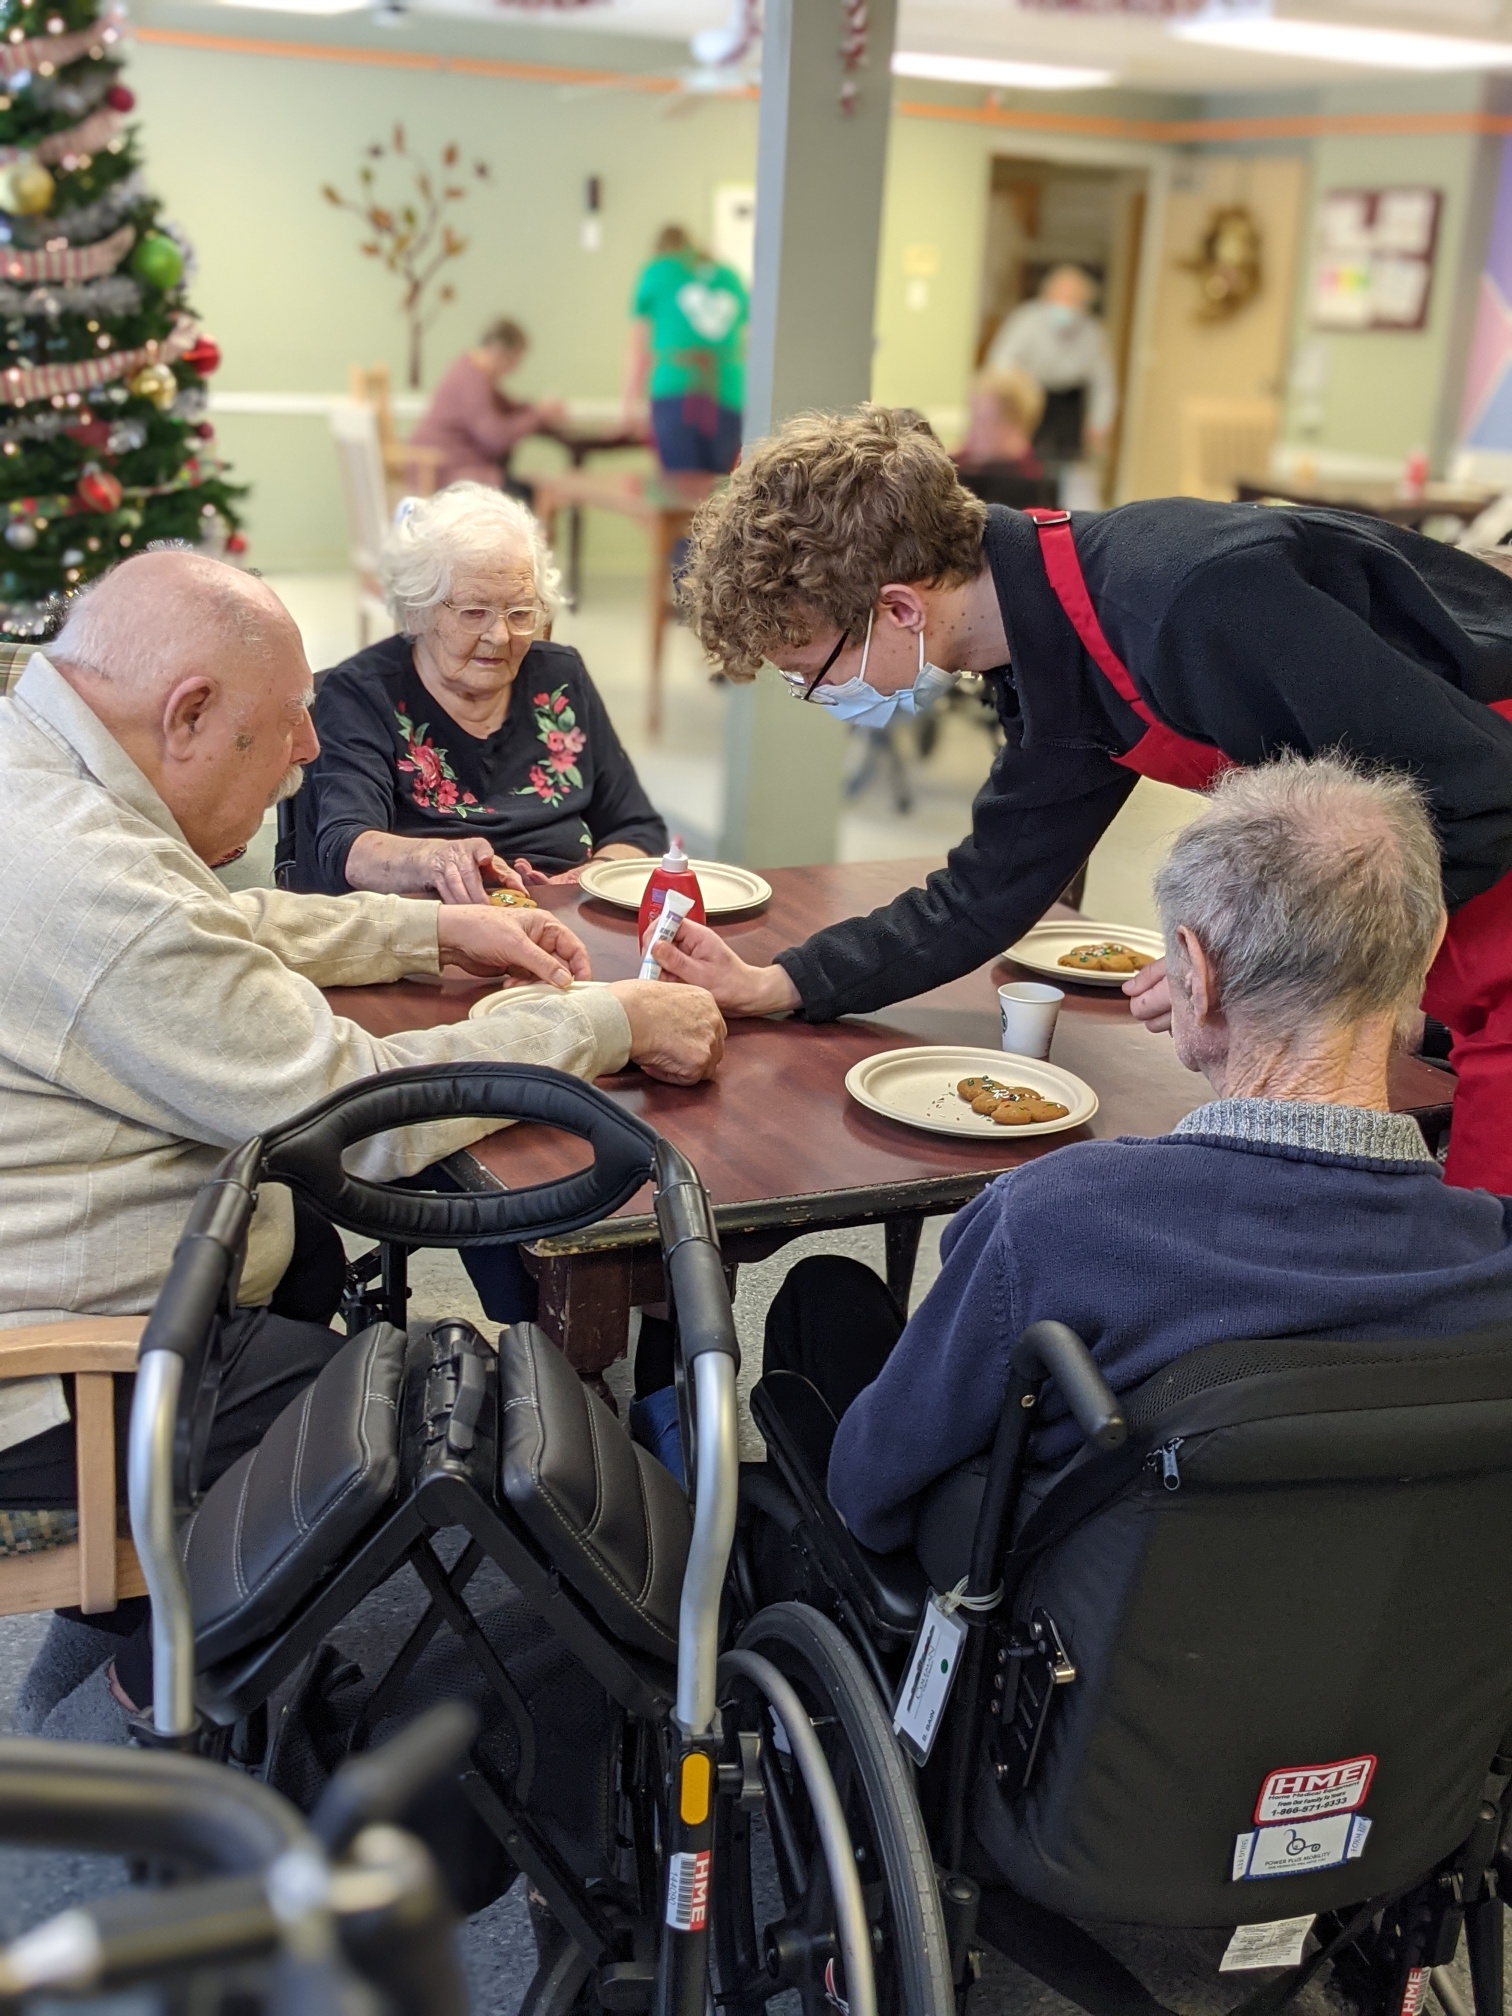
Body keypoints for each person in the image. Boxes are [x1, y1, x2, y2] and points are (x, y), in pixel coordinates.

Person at [0, 549, 723, 1541]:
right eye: (288, 718)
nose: (306, 748)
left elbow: (204, 920)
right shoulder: (88, 886)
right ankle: (164, 1671)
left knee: (331, 1271)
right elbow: (358, 1115)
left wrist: (426, 931)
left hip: (110, 1286)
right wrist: (610, 1020)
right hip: (82, 1371)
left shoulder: (40, 769)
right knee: (496, 1433)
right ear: (189, 714)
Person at [656, 405, 1512, 1193]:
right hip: (1442, 889)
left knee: (1482, 1257)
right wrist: (780, 983)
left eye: (814, 671)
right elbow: (987, 892)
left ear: (899, 608)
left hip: (1487, 833)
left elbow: (1476, 794)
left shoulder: (1184, 598)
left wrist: (1246, 966)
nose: (819, 693)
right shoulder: (1049, 650)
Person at [786, 758, 1512, 1553]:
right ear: (1426, 949)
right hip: (1335, 1641)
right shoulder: (1489, 1256)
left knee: (824, 1301)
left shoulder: (1056, 1219)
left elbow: (870, 1494)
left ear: (1196, 976)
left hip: (1057, 1641)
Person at [296, 484, 667, 898]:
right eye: (475, 612)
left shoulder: (560, 677)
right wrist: (440, 863)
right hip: (432, 930)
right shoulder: (361, 694)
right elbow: (346, 848)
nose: (500, 635)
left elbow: (636, 828)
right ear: (418, 610)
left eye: (521, 612)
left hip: (565, 919)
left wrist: (587, 879)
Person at [622, 224, 748, 476]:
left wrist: (628, 407)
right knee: (722, 490)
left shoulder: (656, 272)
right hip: (729, 395)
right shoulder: (731, 277)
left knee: (680, 491)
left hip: (675, 390)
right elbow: (747, 343)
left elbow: (639, 348)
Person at [407, 317, 564, 493]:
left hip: (456, 469)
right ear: (500, 353)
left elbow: (508, 406)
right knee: (537, 494)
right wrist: (538, 415)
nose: (516, 369)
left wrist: (537, 411)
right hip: (445, 472)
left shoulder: (474, 373)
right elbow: (495, 438)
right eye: (515, 360)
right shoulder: (470, 379)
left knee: (539, 490)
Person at [984, 264, 1117, 469]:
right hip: (1031, 394)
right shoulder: (1026, 320)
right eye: (1060, 296)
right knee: (1025, 461)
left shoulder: (1093, 334)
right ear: (1046, 296)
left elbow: (1103, 384)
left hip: (1069, 401)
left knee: (1064, 464)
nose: (1065, 304)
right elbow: (1000, 361)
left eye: (1073, 298)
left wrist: (1099, 423)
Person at [954, 368, 1055, 510]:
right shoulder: (962, 464)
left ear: (1012, 427)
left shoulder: (1032, 487)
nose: (971, 432)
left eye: (982, 421)